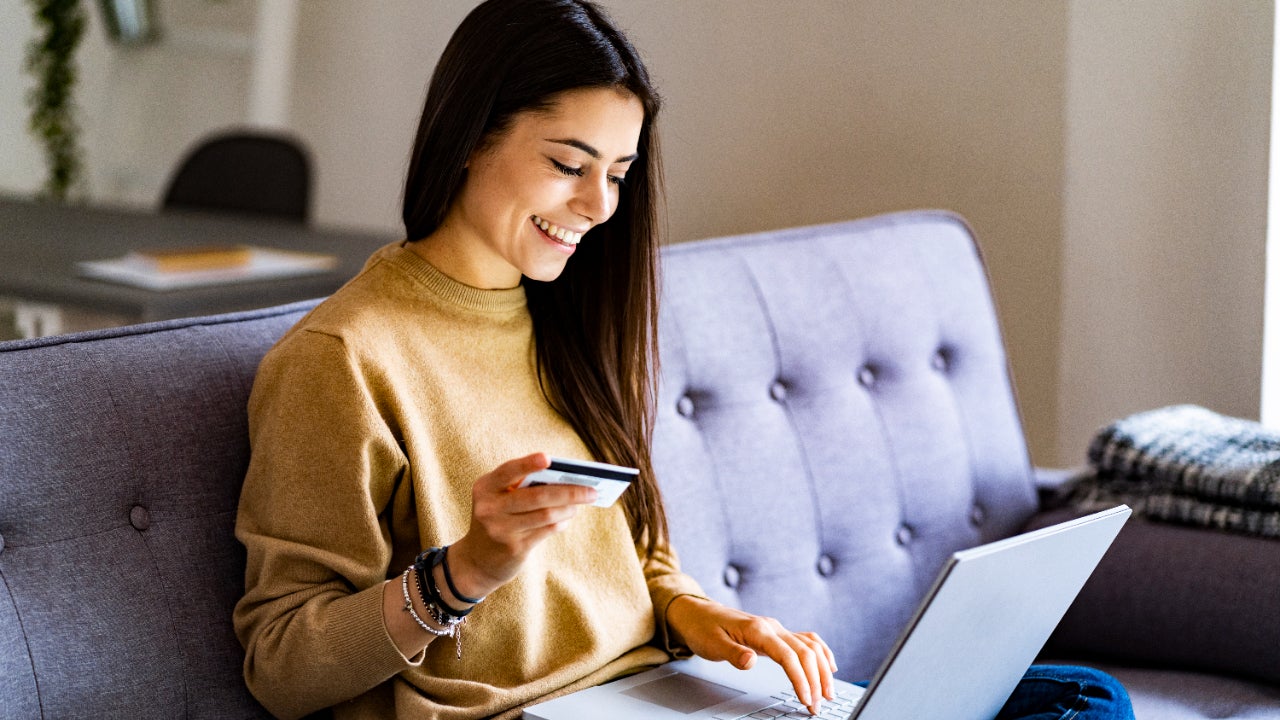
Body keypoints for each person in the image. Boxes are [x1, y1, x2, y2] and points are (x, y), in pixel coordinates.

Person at [233, 1, 1136, 719]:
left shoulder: (567, 321)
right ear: (472, 137)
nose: (599, 206)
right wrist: (462, 572)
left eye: (618, 174)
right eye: (569, 164)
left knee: (1080, 699)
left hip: (657, 693)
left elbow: (637, 553)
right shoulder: (344, 359)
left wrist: (702, 616)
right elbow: (281, 665)